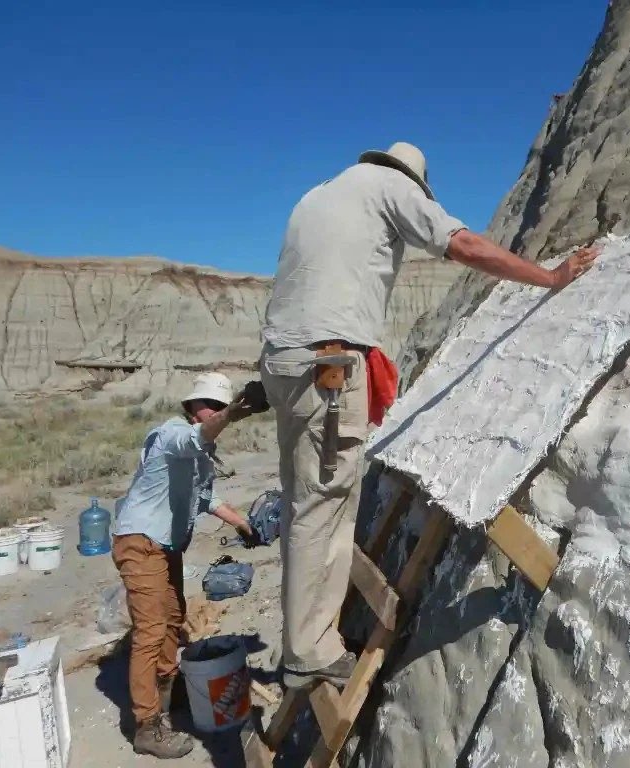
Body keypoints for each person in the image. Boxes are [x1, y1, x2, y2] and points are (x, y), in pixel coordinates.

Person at [260, 141, 600, 690]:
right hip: (326, 368)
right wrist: (550, 277)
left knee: (313, 501)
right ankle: (307, 653)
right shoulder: (390, 186)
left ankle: (310, 638)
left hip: (286, 361)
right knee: (321, 506)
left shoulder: (319, 195)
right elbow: (463, 244)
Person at [111, 373, 269, 758]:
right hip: (140, 542)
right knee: (151, 630)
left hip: (165, 545)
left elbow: (206, 498)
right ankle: (147, 725)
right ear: (191, 406)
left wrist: (243, 525)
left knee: (173, 619)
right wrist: (230, 414)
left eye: (219, 406)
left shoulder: (201, 453)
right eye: (209, 405)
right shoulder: (171, 434)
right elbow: (194, 438)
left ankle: (167, 692)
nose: (213, 411)